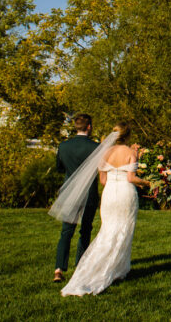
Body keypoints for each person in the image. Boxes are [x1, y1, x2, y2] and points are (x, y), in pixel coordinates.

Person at [61, 120, 151, 297]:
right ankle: (118, 269)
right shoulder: (131, 152)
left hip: (109, 194)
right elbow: (131, 178)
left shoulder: (103, 152)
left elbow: (102, 180)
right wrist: (147, 182)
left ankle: (103, 268)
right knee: (124, 230)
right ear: (127, 136)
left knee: (108, 229)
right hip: (125, 194)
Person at [53, 114, 99, 283]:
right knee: (85, 230)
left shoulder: (64, 146)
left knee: (66, 230)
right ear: (89, 127)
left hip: (70, 191)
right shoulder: (96, 147)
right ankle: (80, 266)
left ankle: (59, 268)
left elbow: (59, 167)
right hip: (89, 192)